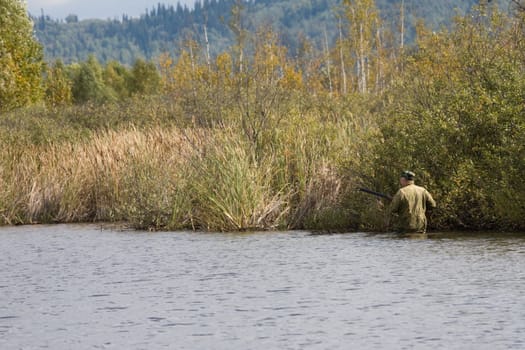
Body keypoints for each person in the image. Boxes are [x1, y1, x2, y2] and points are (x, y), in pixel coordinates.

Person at [389, 170, 436, 235]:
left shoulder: (401, 192)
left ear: (403, 179)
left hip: (406, 226)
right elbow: (433, 205)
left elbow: (392, 209)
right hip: (420, 225)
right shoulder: (423, 190)